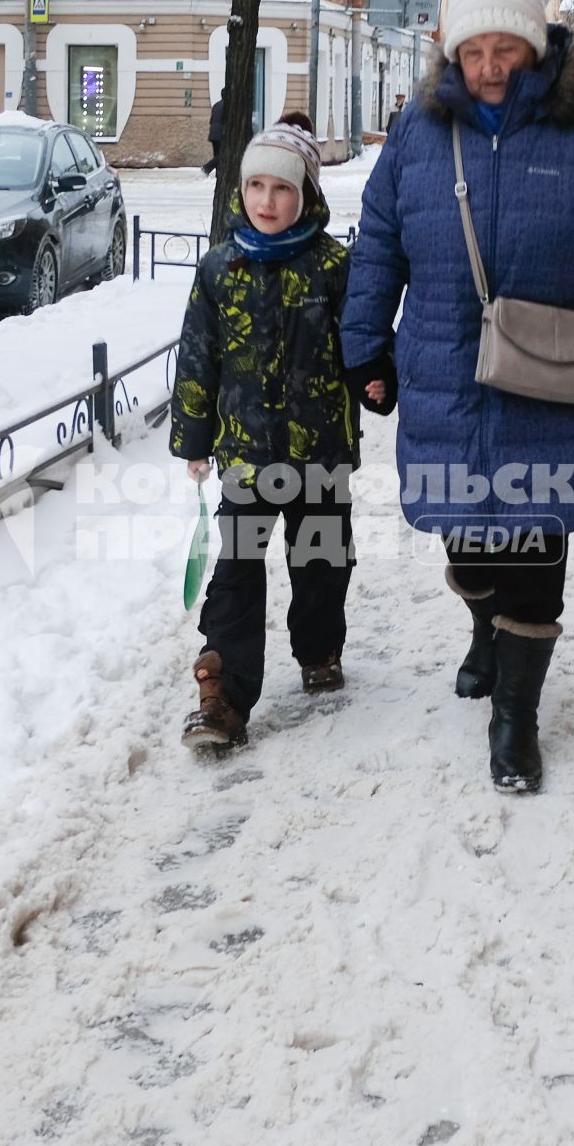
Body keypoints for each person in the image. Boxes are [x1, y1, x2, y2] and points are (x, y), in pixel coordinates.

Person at [340, 0, 574, 795]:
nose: (490, 65)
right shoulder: (421, 133)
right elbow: (379, 240)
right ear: (454, 56)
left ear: (536, 46)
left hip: (554, 380)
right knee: (468, 541)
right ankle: (487, 626)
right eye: (475, 50)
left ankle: (515, 721)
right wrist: (364, 347)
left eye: (506, 48)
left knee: (536, 546)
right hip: (445, 373)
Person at [170, 118, 390, 750]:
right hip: (245, 455)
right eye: (256, 186)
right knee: (237, 569)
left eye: (282, 189)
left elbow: (364, 340)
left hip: (322, 455)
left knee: (320, 562)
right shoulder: (220, 270)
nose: (267, 201)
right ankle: (225, 695)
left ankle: (319, 650)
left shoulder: (333, 267)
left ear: (308, 196)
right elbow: (198, 357)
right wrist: (193, 437)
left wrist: (377, 380)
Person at [203, 87, 228, 175]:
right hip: (221, 133)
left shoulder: (216, 105)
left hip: (213, 132)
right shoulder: (228, 106)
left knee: (217, 153)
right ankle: (207, 167)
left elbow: (212, 120)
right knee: (223, 154)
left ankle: (219, 173)